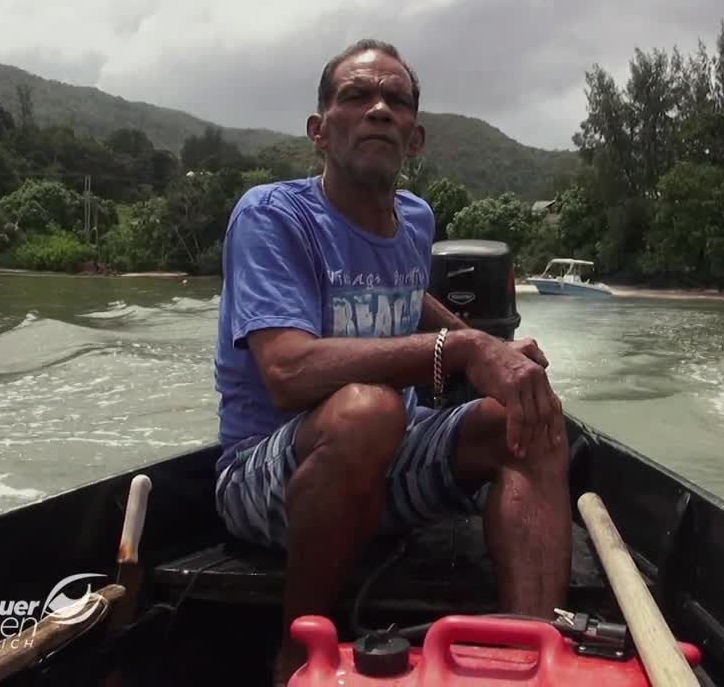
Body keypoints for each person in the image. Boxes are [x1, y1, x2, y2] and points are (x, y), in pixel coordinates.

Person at [211, 38, 573, 685]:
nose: (379, 109)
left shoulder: (415, 220)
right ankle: (297, 652)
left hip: (393, 458)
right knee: (365, 412)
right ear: (320, 132)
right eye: (357, 96)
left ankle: (531, 656)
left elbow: (410, 293)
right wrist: (460, 348)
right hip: (265, 477)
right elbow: (287, 373)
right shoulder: (272, 216)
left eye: (396, 101)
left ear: (416, 137)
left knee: (531, 420)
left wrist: (484, 344)